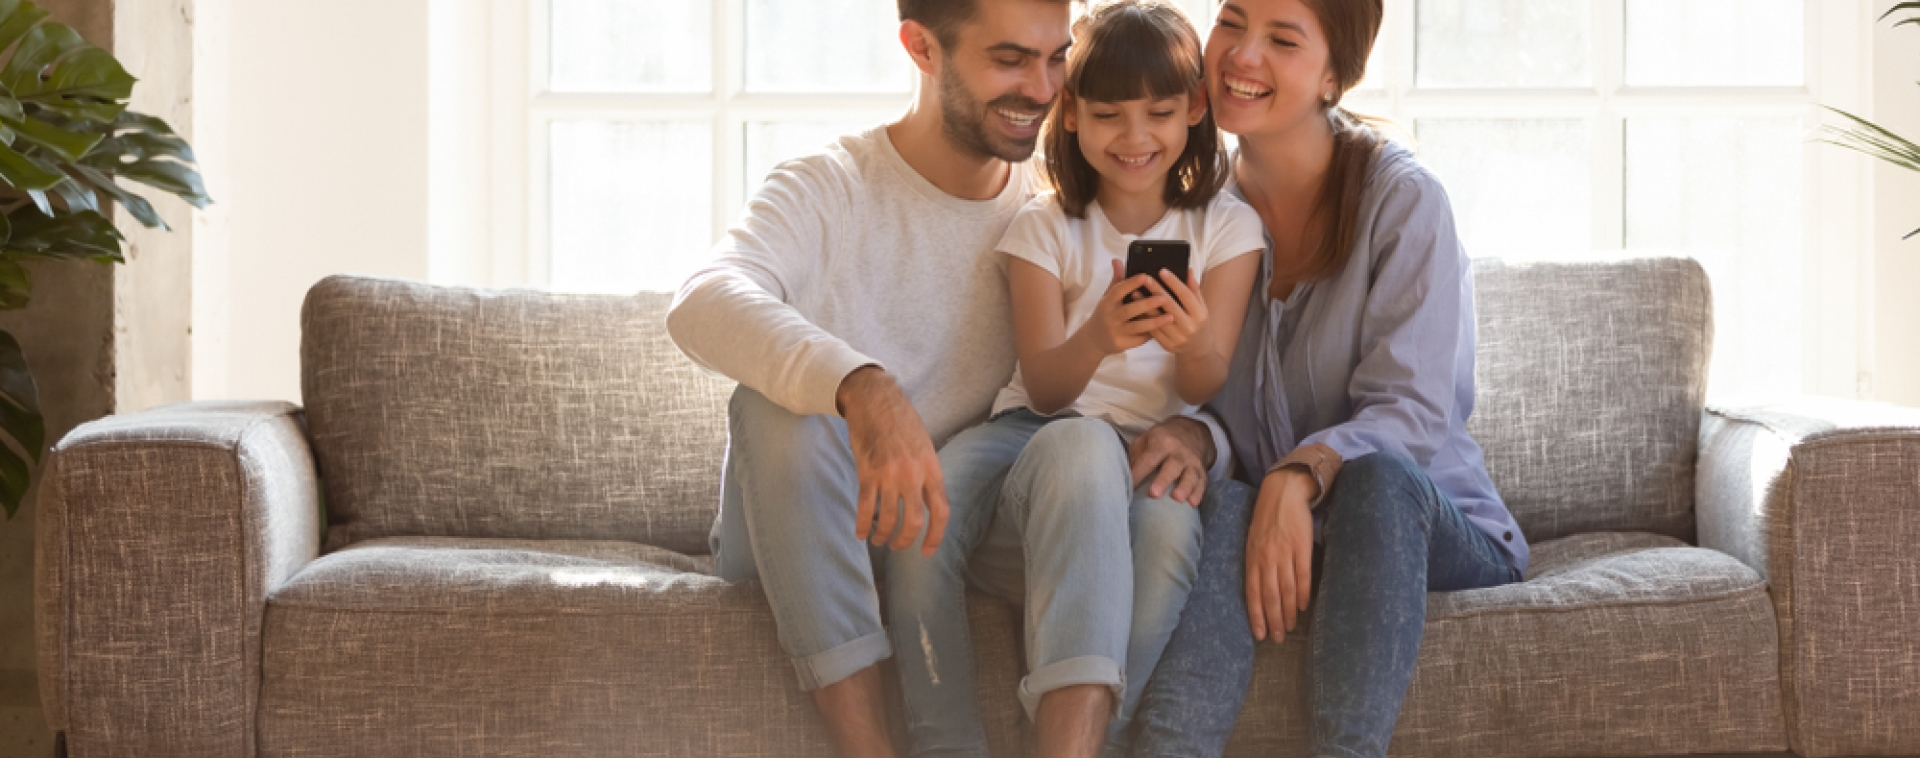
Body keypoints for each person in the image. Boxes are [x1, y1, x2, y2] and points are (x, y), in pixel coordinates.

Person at [667, 1, 1223, 756]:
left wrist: (1197, 429)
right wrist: (862, 387)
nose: (1042, 86)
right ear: (921, 48)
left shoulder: (1062, 204)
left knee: (1087, 451)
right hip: (811, 522)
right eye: (1008, 60)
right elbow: (703, 301)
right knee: (777, 412)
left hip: (961, 523)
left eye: (1055, 57)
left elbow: (1154, 370)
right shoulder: (830, 185)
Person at [1125, 1, 1533, 757]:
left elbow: (1411, 415)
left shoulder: (1403, 200)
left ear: (1334, 76)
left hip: (1425, 525)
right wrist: (1194, 433)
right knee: (1211, 497)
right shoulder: (1193, 211)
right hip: (1285, 523)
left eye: (1282, 39)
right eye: (1232, 21)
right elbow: (1216, 399)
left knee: (1374, 480)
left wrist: (1301, 473)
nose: (1242, 55)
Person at [884, 2, 1263, 756]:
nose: (1134, 138)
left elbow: (1210, 376)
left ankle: (1087, 739)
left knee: (1162, 541)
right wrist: (1097, 336)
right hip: (1030, 433)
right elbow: (1050, 388)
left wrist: (1189, 341)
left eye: (1159, 113)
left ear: (1194, 108)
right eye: (1107, 115)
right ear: (1071, 116)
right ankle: (943, 738)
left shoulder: (1226, 228)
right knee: (923, 518)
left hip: (1151, 445)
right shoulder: (1043, 228)